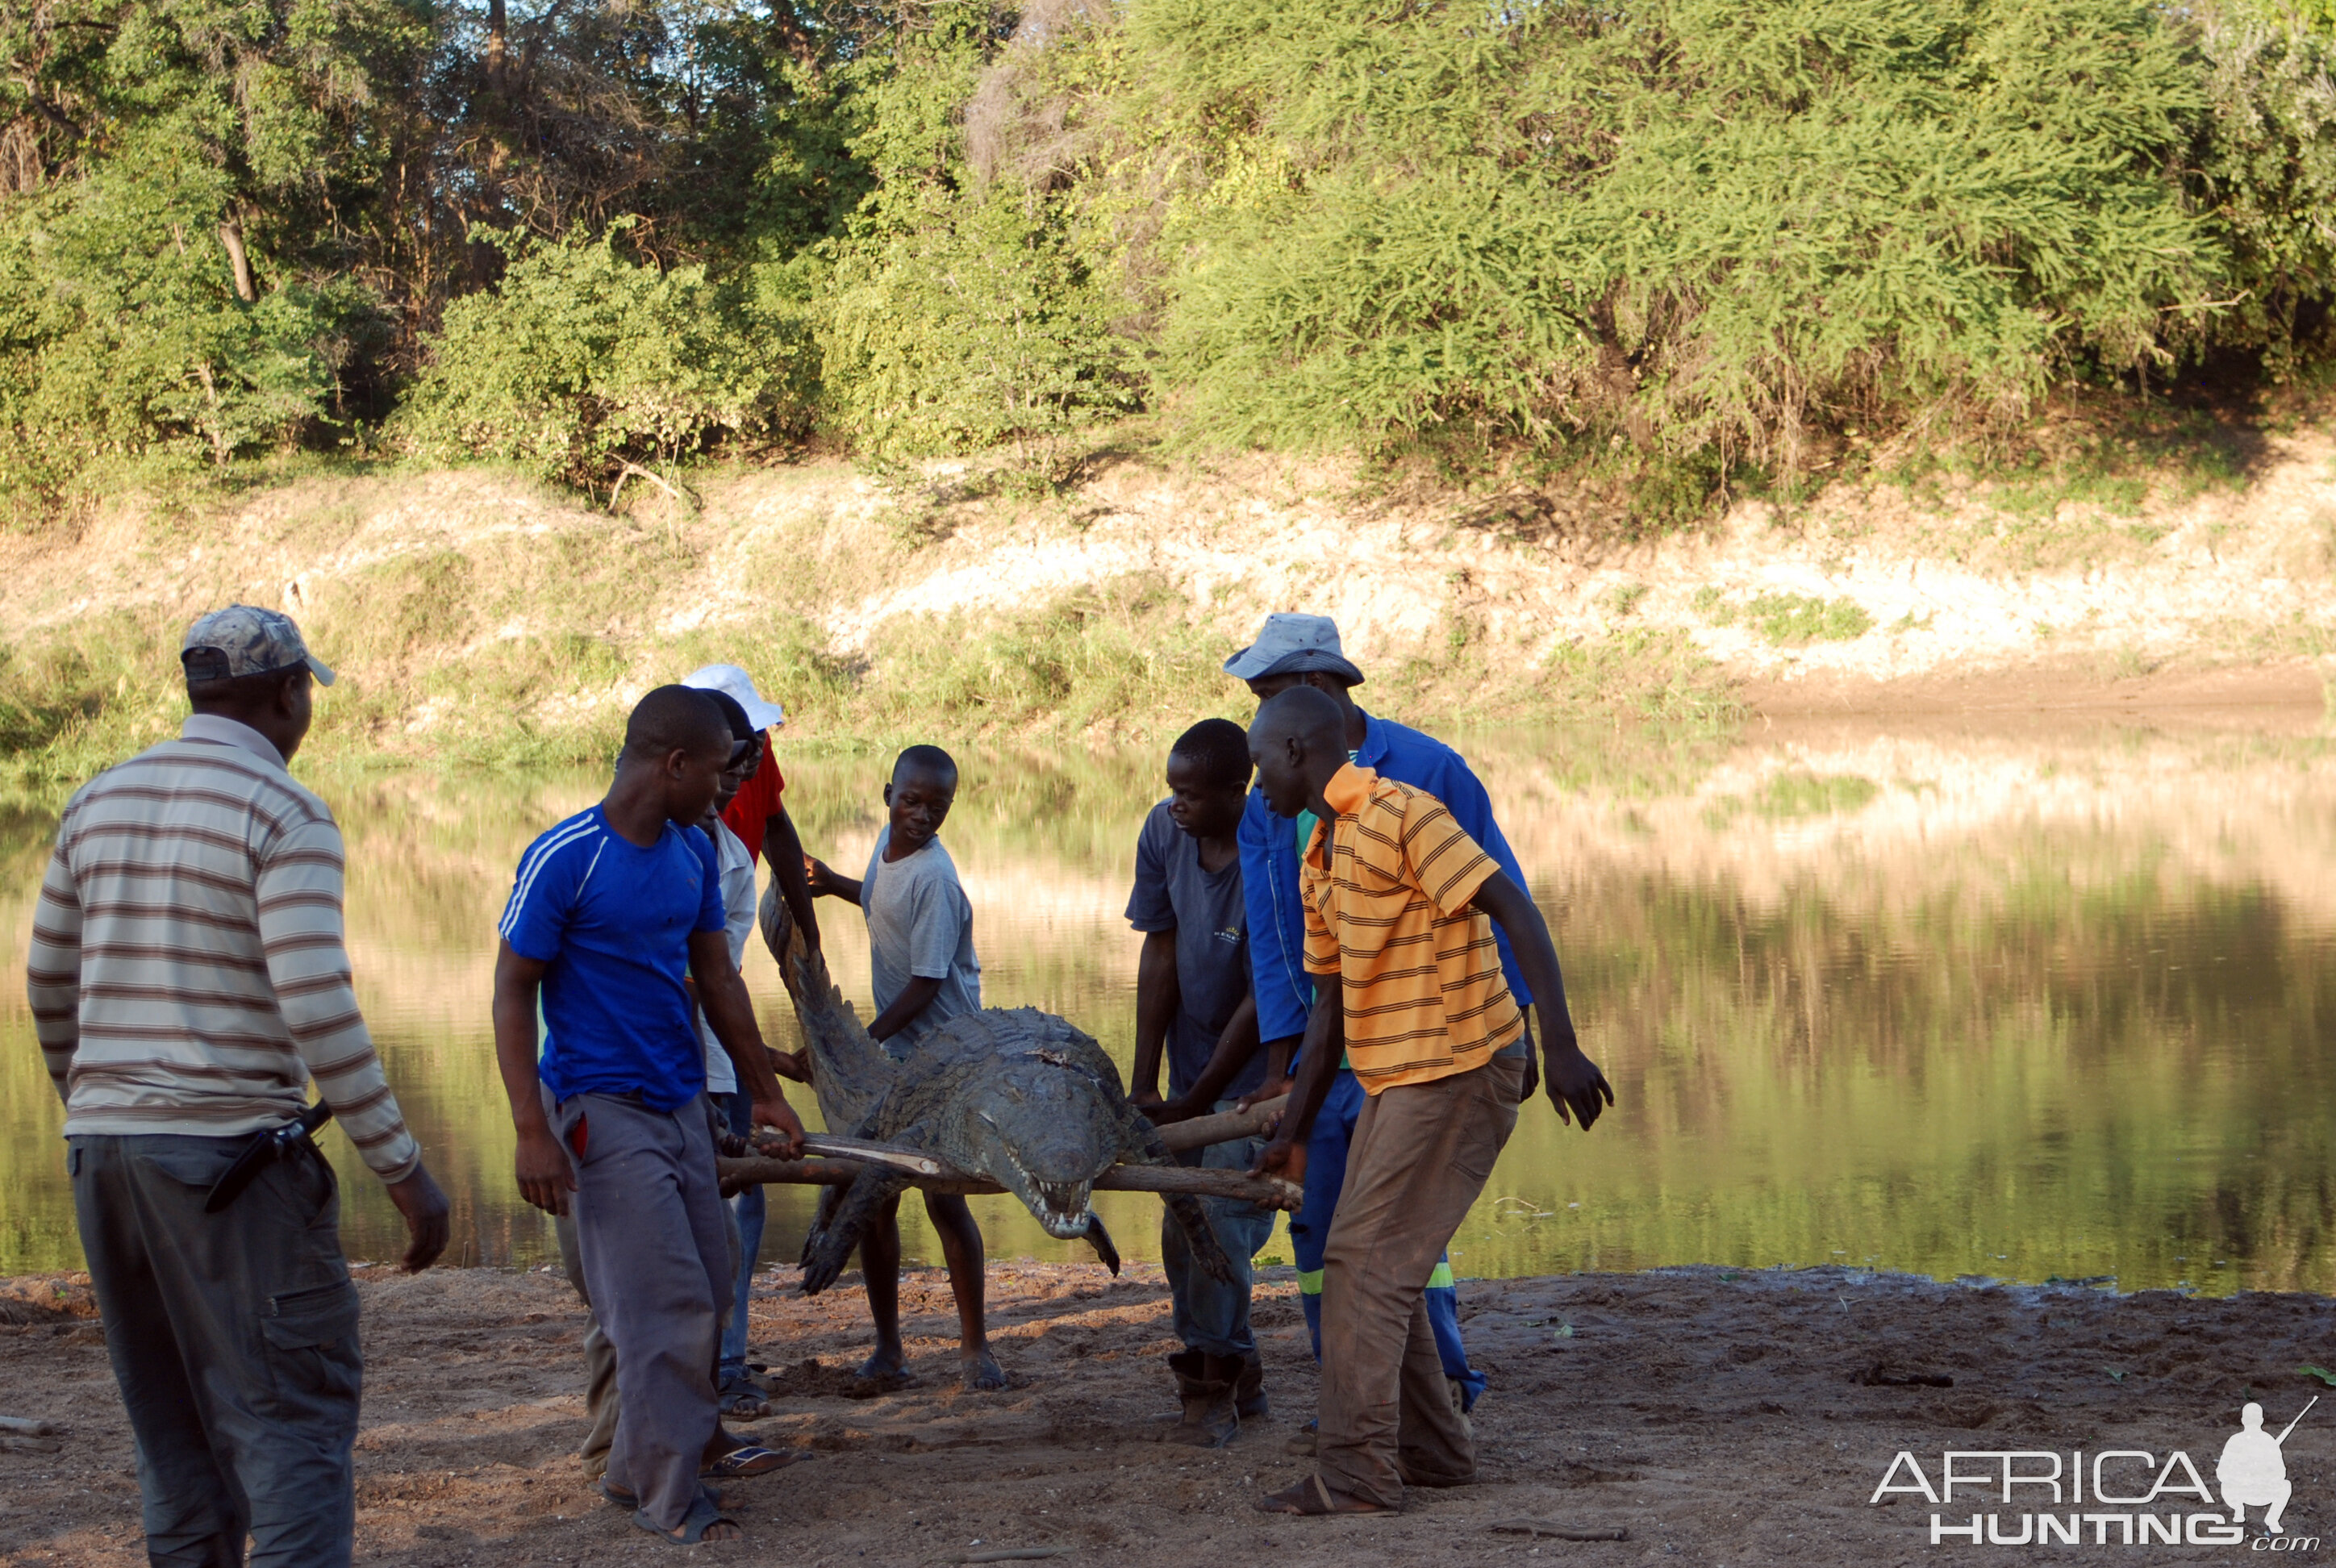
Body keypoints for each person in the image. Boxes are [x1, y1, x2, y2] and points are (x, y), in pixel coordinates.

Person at [25, 604, 452, 1567]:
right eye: (307, 692)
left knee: (174, 1442)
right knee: (291, 1427)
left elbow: (49, 981)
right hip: (231, 1167)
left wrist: (96, 1105)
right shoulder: (282, 810)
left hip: (106, 1157)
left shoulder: (100, 799)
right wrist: (401, 1166)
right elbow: (316, 1001)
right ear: (288, 694)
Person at [1245, 685, 1612, 1517]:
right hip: (1395, 1075)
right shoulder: (1319, 857)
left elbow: (1510, 904)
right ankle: (1432, 1453)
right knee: (1369, 1260)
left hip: (1460, 1062)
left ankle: (1356, 1475)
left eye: (1260, 760)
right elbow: (1328, 1014)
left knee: (1363, 1266)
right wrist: (1291, 1133)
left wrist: (1558, 1044)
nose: (1254, 780)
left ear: (1298, 751)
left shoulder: (1404, 810)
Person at [492, 685, 808, 1546]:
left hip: (679, 1104)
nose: (725, 792)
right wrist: (531, 1128)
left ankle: (635, 1470)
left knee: (707, 1285)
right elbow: (513, 990)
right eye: (715, 774)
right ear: (672, 765)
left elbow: (717, 977)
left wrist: (766, 1089)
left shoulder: (691, 853)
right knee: (661, 1308)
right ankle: (675, 1501)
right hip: (600, 1109)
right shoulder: (567, 856)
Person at [1226, 611, 1536, 1445]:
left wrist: (1531, 1029)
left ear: (1317, 694)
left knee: (1395, 1248)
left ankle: (1413, 1422)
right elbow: (1283, 947)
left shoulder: (1422, 778)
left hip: (1440, 1048)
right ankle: (1383, 1425)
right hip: (1343, 1052)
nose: (1254, 719)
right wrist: (1285, 1078)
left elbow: (1501, 901)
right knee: (1332, 1236)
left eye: (1266, 697)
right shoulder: (1282, 808)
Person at [803, 744, 1001, 1391]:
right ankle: (889, 1350)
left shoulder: (936, 878)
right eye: (911, 801)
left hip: (946, 1058)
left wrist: (860, 1038)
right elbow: (881, 903)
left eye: (936, 807)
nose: (921, 816)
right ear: (887, 793)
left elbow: (926, 979)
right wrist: (834, 884)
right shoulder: (887, 854)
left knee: (946, 1203)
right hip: (896, 1060)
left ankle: (975, 1348)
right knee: (876, 1203)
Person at [1125, 718, 1277, 1446]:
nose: (1175, 804)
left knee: (1222, 1223)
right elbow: (1160, 950)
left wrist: (1202, 1094)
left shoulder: (1269, 849)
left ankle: (1209, 1379)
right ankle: (1236, 1365)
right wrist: (1146, 1081)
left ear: (1236, 791)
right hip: (1185, 1064)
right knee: (1180, 1225)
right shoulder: (1163, 833)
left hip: (1257, 1075)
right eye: (1171, 790)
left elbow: (1264, 993)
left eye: (1190, 793)